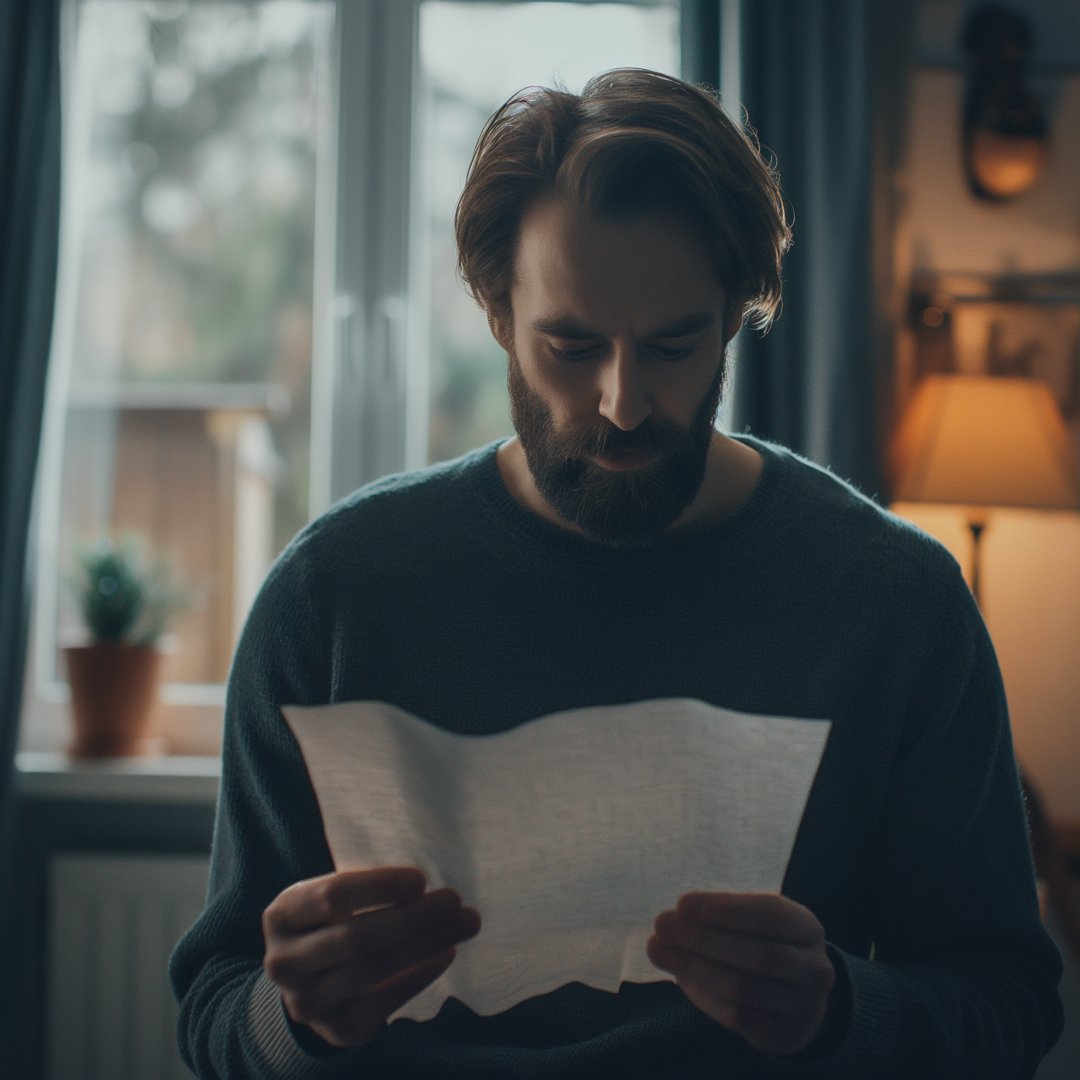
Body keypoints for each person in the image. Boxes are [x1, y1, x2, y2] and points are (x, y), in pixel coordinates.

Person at [170, 68, 1064, 1079]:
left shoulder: (897, 605)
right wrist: (295, 1023)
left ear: (734, 316)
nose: (624, 403)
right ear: (498, 314)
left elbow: (1010, 1005)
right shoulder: (330, 597)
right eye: (573, 346)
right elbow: (211, 1011)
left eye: (673, 346)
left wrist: (838, 1010)